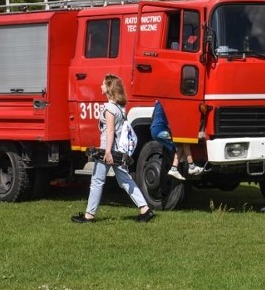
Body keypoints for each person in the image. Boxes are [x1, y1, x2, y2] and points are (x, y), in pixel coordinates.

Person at [72, 74, 154, 223]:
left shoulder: (109, 108)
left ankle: (89, 216)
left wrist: (108, 151)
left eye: (103, 84)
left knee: (97, 181)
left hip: (107, 150)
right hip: (118, 151)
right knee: (125, 180)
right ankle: (145, 209)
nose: (100, 86)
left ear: (109, 88)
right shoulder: (120, 108)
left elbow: (110, 131)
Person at [151, 100, 204, 181]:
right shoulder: (166, 103)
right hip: (161, 131)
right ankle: (191, 166)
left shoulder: (157, 104)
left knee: (180, 144)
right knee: (184, 140)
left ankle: (174, 169)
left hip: (154, 131)